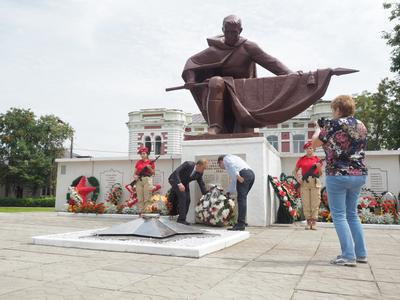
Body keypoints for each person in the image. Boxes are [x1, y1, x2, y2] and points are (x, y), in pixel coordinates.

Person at [182, 15, 294, 134]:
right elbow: (192, 63)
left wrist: (291, 74)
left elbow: (271, 62)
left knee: (244, 129)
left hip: (244, 89)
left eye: (234, 32)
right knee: (215, 81)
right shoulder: (216, 49)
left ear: (240, 31)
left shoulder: (249, 47)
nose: (230, 35)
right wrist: (191, 80)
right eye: (228, 32)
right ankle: (215, 126)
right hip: (223, 87)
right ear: (223, 30)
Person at [312, 95, 368, 267]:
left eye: (333, 109)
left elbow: (314, 144)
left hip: (338, 174)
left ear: (337, 109)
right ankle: (361, 254)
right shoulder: (361, 125)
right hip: (359, 174)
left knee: (339, 215)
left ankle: (348, 255)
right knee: (352, 214)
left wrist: (317, 128)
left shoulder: (332, 124)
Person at [217, 155, 255, 231]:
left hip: (243, 174)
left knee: (241, 200)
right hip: (251, 175)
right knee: (242, 199)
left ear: (221, 161)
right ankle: (242, 222)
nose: (220, 167)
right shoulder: (233, 163)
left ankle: (241, 224)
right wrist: (228, 191)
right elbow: (234, 181)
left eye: (219, 165)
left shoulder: (226, 158)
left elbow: (232, 165)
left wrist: (238, 176)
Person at [293, 141, 323, 230]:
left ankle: (313, 222)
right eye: (308, 148)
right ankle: (308, 221)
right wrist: (298, 179)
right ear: (305, 149)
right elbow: (294, 171)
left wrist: (318, 167)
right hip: (304, 182)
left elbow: (320, 174)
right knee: (306, 202)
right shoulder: (302, 159)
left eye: (311, 148)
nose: (310, 149)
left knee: (315, 201)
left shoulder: (317, 159)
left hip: (315, 181)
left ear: (314, 149)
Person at [168, 159, 208, 225]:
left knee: (188, 200)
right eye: (203, 168)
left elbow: (201, 183)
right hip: (174, 180)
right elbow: (176, 172)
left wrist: (206, 194)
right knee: (183, 197)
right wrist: (179, 183)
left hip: (184, 184)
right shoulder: (188, 164)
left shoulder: (200, 173)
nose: (203, 170)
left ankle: (182, 218)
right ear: (198, 165)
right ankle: (181, 220)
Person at [134, 146, 155, 212]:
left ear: (147, 154)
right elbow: (135, 173)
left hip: (147, 180)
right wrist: (135, 176)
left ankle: (147, 213)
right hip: (139, 180)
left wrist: (149, 168)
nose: (142, 155)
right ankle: (141, 212)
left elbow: (153, 173)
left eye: (143, 153)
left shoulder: (150, 162)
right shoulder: (138, 162)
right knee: (140, 198)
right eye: (141, 154)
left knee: (147, 197)